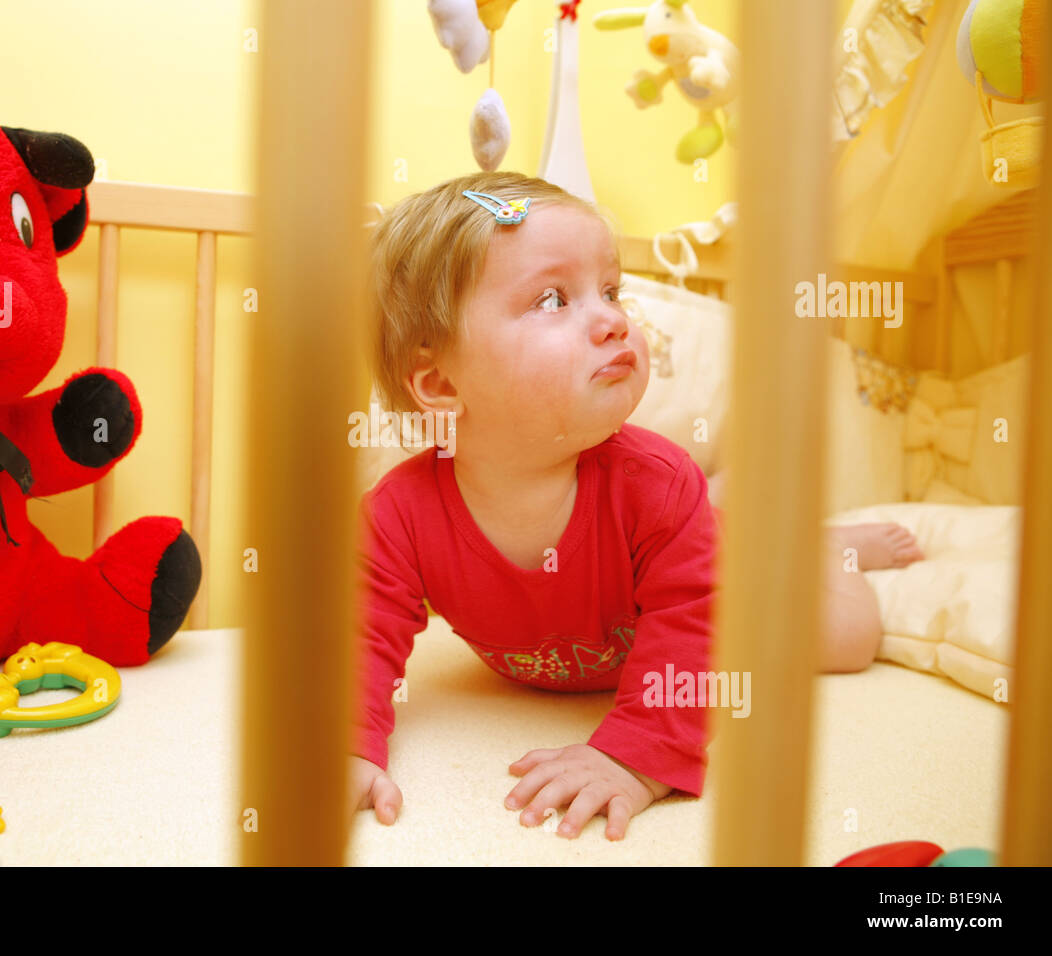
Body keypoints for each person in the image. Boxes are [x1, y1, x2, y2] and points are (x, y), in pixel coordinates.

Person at [349, 171, 923, 840]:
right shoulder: (397, 516)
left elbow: (692, 622)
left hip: (730, 589)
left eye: (611, 291)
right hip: (684, 544)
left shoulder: (658, 483)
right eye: (553, 299)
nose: (614, 318)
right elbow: (360, 637)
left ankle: (821, 546)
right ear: (442, 383)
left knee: (852, 634)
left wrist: (637, 754)